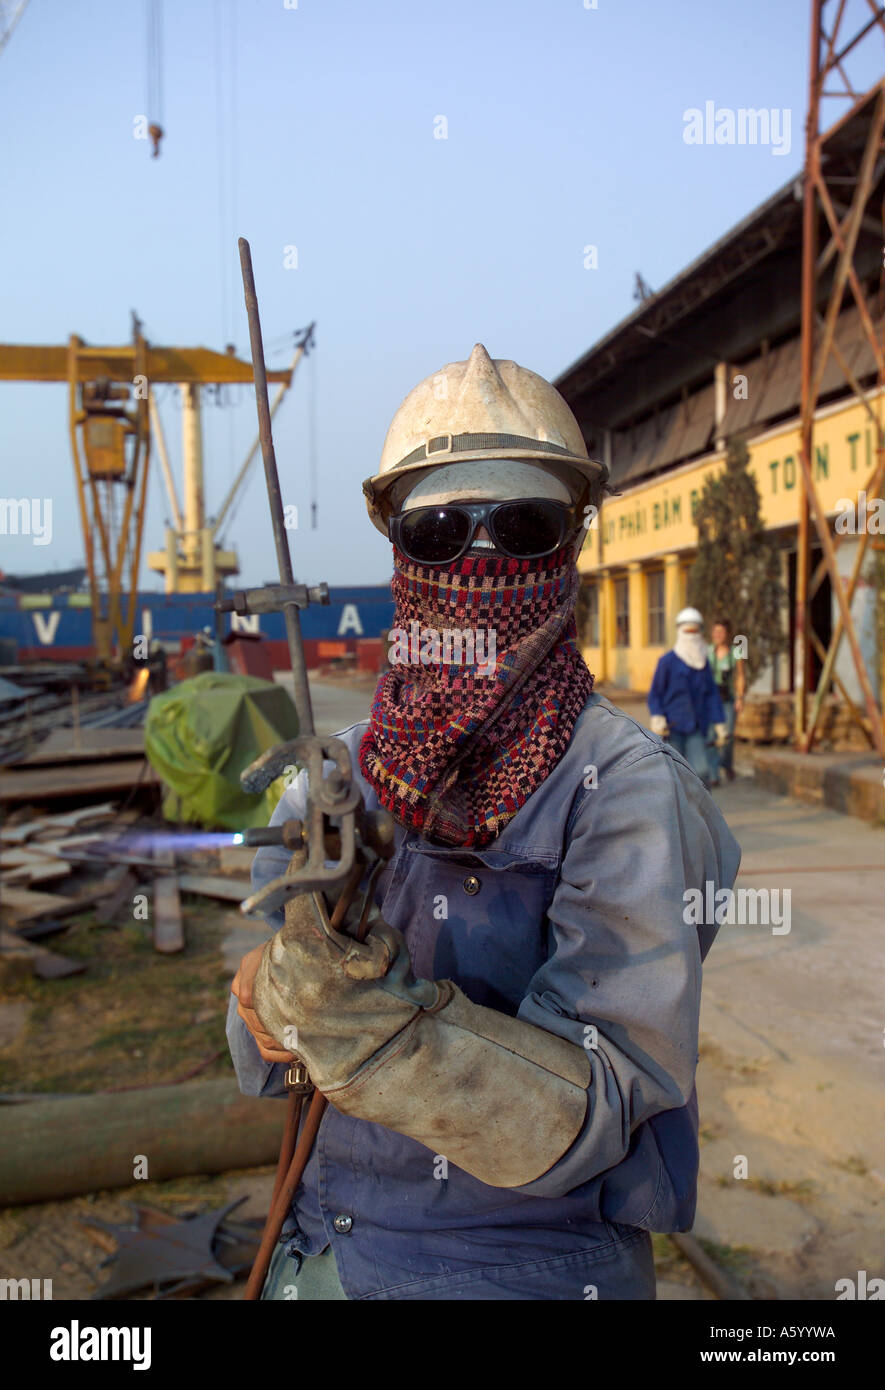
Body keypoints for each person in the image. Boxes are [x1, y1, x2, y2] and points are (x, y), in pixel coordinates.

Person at [227, 345, 741, 1301]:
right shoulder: (339, 774)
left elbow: (600, 1103)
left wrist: (381, 1037)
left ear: (572, 543)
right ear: (397, 548)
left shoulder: (628, 790)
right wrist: (263, 995)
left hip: (528, 1271)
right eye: (439, 533)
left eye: (524, 525)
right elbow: (265, 1057)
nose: (482, 557)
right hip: (325, 1244)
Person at [648, 608, 727, 788]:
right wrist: (657, 716)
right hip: (672, 727)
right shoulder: (667, 661)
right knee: (674, 774)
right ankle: (677, 812)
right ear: (679, 631)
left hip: (697, 727)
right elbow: (655, 693)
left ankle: (701, 812)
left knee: (701, 771)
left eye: (695, 631)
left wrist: (720, 722)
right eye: (687, 632)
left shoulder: (703, 662)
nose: (691, 636)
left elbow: (712, 693)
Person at [707, 620, 745, 784]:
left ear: (727, 634)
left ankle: (727, 764)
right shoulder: (707, 651)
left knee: (728, 735)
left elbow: (741, 675)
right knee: (711, 736)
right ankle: (714, 774)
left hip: (727, 699)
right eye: (715, 632)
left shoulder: (736, 651)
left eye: (721, 632)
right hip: (709, 700)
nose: (718, 635)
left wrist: (740, 697)